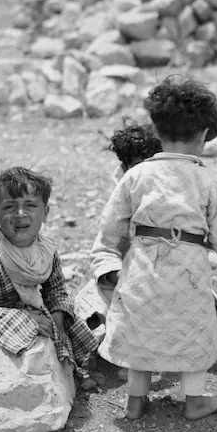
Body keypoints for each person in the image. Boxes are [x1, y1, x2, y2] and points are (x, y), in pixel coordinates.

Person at [90, 75, 217, 421]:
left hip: (142, 267)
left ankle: (135, 401)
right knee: (195, 330)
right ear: (204, 134)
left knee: (142, 329)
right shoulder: (207, 180)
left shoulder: (136, 176)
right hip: (188, 271)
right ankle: (195, 401)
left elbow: (110, 227)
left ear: (156, 131)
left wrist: (109, 259)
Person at [0, 167, 99, 372]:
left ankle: (72, 364)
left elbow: (56, 290)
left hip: (26, 308)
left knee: (67, 319)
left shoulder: (45, 250)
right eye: (10, 207)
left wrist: (57, 316)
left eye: (30, 205)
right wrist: (28, 319)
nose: (20, 214)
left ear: (45, 213)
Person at [75, 119, 163, 331]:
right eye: (137, 166)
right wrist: (120, 276)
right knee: (87, 309)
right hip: (126, 278)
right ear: (125, 167)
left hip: (169, 277)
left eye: (150, 164)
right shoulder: (120, 199)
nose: (145, 173)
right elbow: (105, 247)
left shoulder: (174, 192)